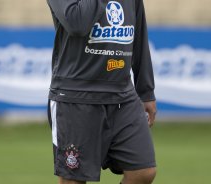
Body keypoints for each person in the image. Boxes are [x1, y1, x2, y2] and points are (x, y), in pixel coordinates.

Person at [46, 0, 157, 184]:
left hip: (123, 95)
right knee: (73, 179)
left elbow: (138, 31)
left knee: (143, 172)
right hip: (76, 96)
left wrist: (146, 90)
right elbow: (77, 23)